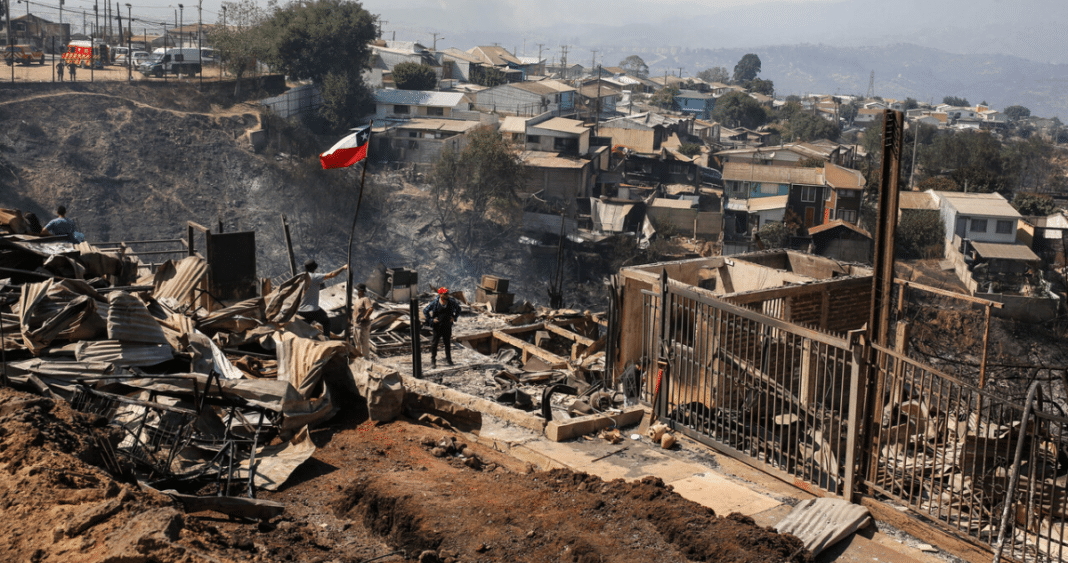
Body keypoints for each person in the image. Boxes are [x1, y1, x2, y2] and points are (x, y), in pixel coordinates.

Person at [297, 259, 346, 330]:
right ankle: (326, 338)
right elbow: (332, 274)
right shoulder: (315, 277)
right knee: (326, 322)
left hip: (301, 310)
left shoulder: (300, 277)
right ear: (314, 267)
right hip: (312, 309)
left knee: (305, 327)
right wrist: (343, 268)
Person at [423, 287, 461, 369]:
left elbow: (459, 309)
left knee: (447, 343)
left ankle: (449, 359)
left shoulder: (451, 302)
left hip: (447, 326)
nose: (447, 295)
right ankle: (433, 361)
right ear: (441, 295)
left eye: (447, 293)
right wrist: (431, 319)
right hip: (437, 327)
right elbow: (425, 310)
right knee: (434, 344)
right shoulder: (435, 303)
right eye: (445, 294)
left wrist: (454, 317)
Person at [353, 283, 374, 357]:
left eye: (357, 289)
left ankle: (366, 359)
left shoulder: (365, 299)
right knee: (357, 343)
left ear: (361, 291)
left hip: (363, 326)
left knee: (363, 344)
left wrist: (365, 318)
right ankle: (359, 358)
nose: (355, 290)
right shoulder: (357, 299)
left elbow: (370, 308)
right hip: (356, 325)